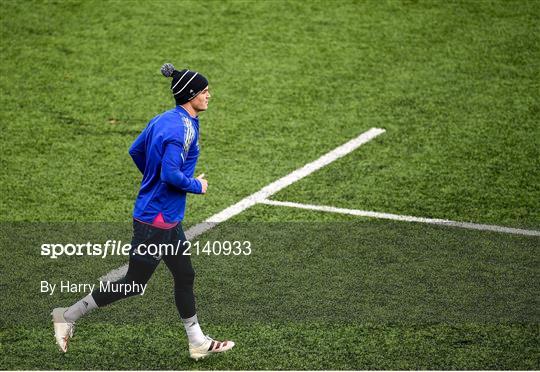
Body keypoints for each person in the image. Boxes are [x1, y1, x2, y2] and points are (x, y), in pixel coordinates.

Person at [51, 63, 235, 360]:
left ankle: (197, 341)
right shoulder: (182, 130)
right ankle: (68, 315)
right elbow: (171, 175)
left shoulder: (164, 119)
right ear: (190, 95)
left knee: (185, 274)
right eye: (204, 91)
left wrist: (152, 180)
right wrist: (197, 185)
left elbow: (135, 150)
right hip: (157, 221)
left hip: (163, 216)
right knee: (134, 284)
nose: (209, 95)